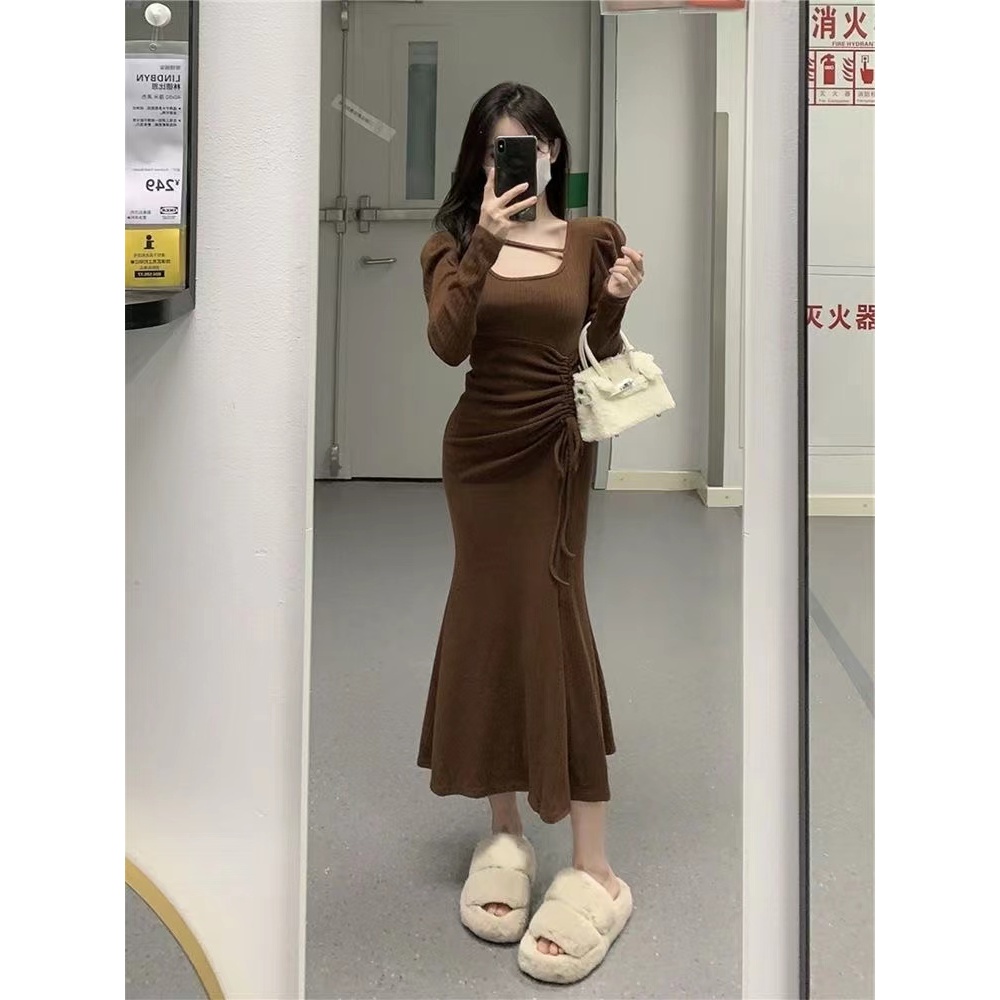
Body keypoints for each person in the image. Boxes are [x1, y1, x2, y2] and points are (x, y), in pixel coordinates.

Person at [417, 82, 645, 984]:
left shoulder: (591, 239)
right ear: (480, 162)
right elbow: (448, 344)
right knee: (488, 623)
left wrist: (614, 299)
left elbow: (599, 351)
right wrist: (484, 242)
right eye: (500, 150)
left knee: (555, 620)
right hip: (478, 455)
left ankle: (596, 868)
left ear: (555, 154)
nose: (519, 162)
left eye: (534, 146)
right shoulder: (450, 245)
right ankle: (504, 831)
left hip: (555, 450)